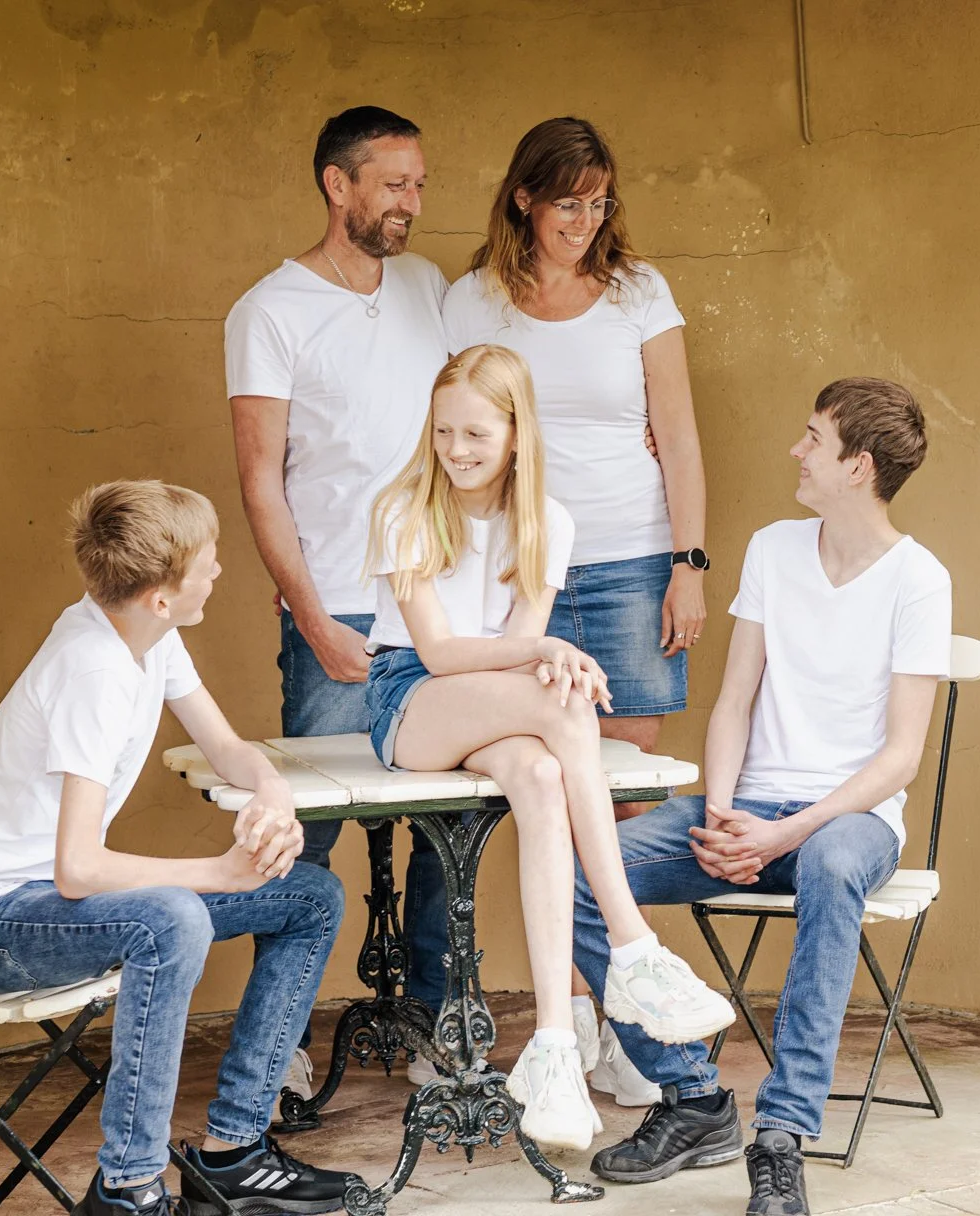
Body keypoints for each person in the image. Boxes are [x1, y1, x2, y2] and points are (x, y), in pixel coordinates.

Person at [0, 481, 355, 1216]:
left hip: (47, 908)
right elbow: (79, 868)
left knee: (310, 898)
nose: (219, 570)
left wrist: (273, 793)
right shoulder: (93, 671)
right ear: (160, 596)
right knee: (171, 921)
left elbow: (223, 746)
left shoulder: (147, 635)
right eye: (208, 562)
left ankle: (234, 1154)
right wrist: (220, 872)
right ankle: (127, 1187)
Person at [568, 378, 952, 1216]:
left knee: (832, 864)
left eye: (813, 438)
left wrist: (786, 835)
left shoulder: (919, 580)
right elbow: (734, 702)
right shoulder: (775, 548)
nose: (796, 451)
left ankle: (781, 1137)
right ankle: (694, 1098)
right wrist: (720, 814)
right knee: (576, 873)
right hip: (744, 812)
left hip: (847, 822)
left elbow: (900, 758)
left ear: (859, 466)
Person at [362, 344, 733, 1151]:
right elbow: (439, 654)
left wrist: (540, 655)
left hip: (499, 704)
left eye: (476, 435)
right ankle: (632, 949)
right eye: (444, 431)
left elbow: (518, 650)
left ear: (517, 434)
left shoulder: (547, 523)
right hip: (410, 699)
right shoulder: (404, 508)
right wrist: (545, 655)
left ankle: (555, 1047)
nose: (455, 450)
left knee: (538, 773)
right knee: (564, 701)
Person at [443, 115, 709, 1104]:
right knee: (549, 791)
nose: (585, 221)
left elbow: (678, 433)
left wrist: (688, 563)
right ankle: (580, 1011)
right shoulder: (474, 300)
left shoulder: (639, 292)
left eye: (599, 203)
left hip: (634, 562)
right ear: (523, 199)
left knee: (625, 802)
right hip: (522, 570)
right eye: (567, 203)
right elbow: (451, 431)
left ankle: (627, 1023)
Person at [225, 105, 452, 1087]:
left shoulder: (429, 288)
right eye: (394, 184)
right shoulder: (269, 312)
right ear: (337, 184)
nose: (411, 202)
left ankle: (443, 1029)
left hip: (437, 612)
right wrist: (312, 617)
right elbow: (259, 481)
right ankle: (274, 1051)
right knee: (303, 836)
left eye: (418, 184)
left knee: (451, 829)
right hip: (338, 612)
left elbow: (487, 408)